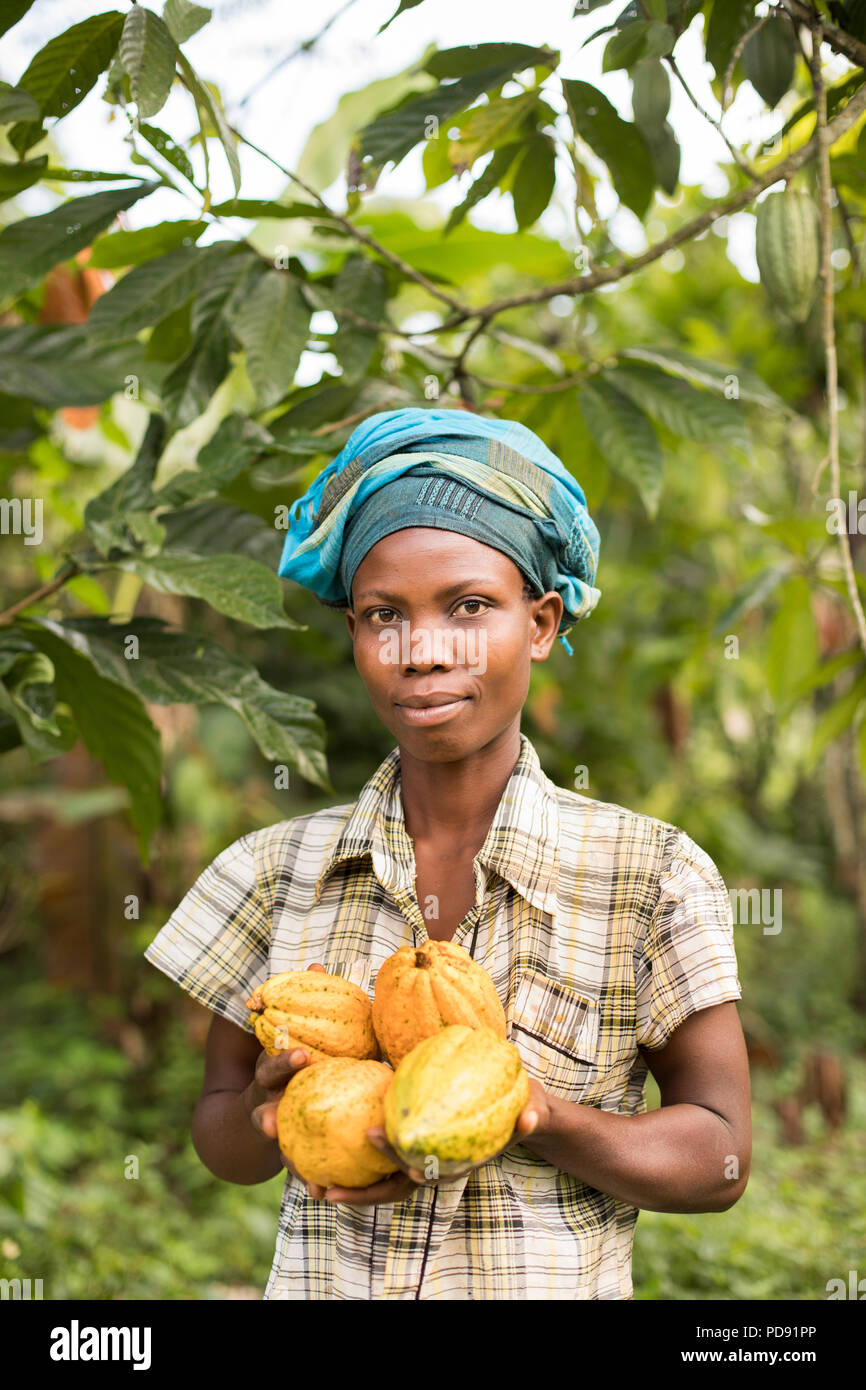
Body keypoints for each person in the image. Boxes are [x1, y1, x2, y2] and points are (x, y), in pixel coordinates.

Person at [144, 405, 750, 1300]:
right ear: (354, 634)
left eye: (469, 607)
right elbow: (219, 1137)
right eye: (385, 615)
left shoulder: (650, 873)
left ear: (540, 624)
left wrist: (535, 1117)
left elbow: (722, 1156)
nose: (422, 652)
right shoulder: (272, 873)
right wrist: (265, 1110)